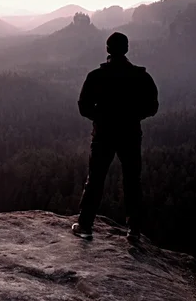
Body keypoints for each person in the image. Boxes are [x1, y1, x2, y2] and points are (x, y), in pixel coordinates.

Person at [72, 32, 158, 241]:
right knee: (132, 181)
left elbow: (83, 107)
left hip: (103, 134)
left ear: (108, 49)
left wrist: (100, 117)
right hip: (130, 134)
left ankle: (85, 225)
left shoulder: (96, 76)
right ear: (127, 49)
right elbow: (153, 106)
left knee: (96, 179)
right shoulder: (141, 76)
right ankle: (134, 230)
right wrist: (133, 116)